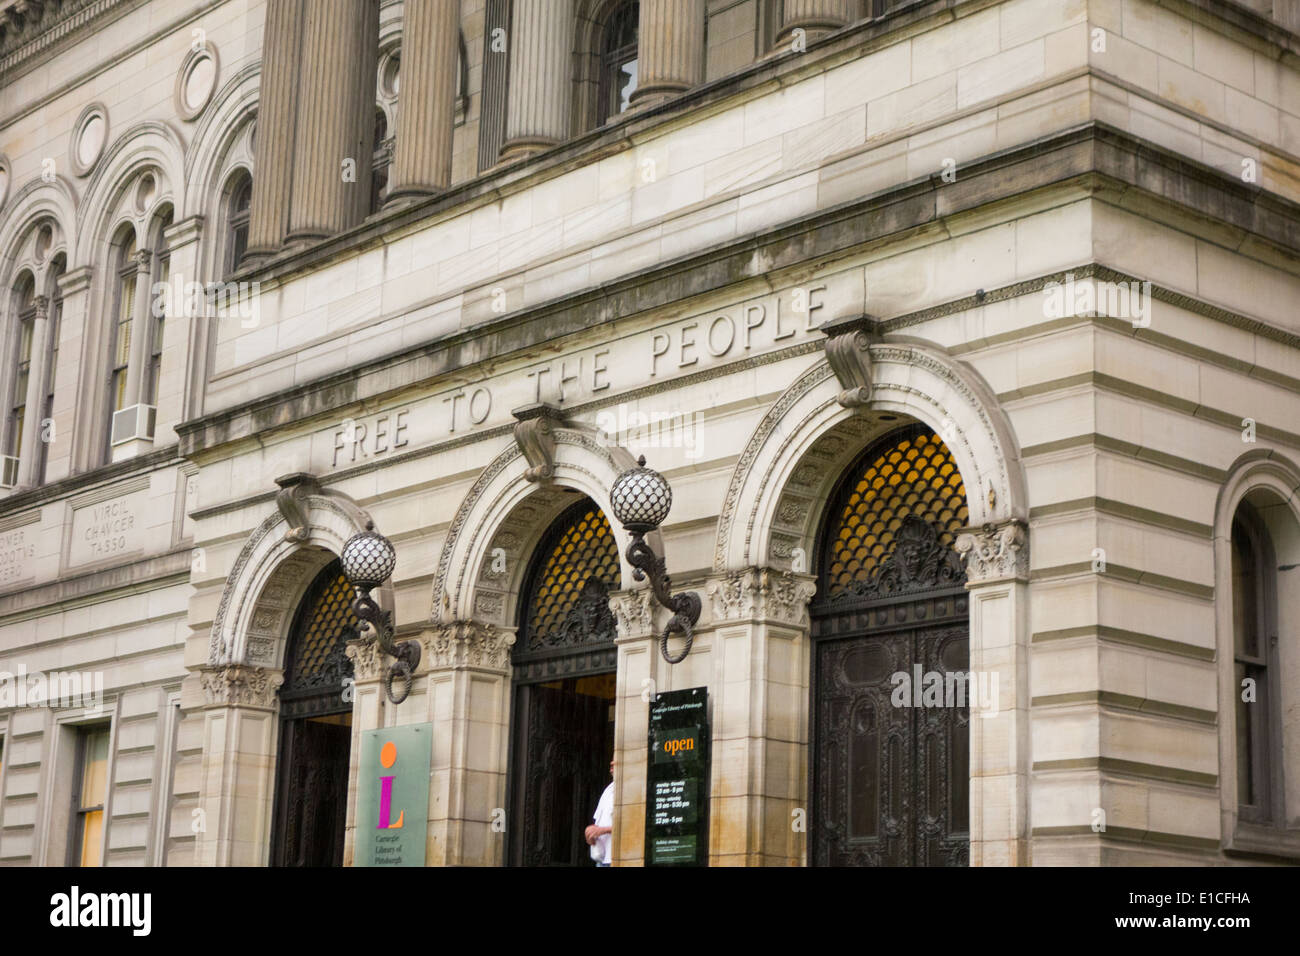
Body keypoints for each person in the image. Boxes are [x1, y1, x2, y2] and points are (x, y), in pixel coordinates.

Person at [586, 758, 615, 866]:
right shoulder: (608, 789)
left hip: (616, 856)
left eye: (613, 766)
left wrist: (602, 830)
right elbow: (598, 822)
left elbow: (631, 825)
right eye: (610, 766)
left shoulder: (628, 790)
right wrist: (590, 833)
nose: (611, 770)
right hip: (602, 857)